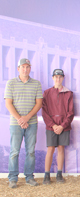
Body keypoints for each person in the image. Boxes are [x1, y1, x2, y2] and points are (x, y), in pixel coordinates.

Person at [4, 58, 43, 188]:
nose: (25, 69)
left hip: (31, 123)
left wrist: (27, 118)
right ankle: (13, 178)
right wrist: (20, 119)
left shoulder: (36, 84)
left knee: (30, 151)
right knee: (14, 151)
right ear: (18, 69)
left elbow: (39, 103)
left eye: (27, 67)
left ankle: (29, 177)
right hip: (15, 124)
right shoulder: (11, 83)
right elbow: (8, 103)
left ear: (30, 68)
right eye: (23, 67)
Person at [42, 69, 74, 184]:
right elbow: (44, 112)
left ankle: (59, 174)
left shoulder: (69, 93)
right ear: (52, 78)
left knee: (61, 148)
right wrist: (53, 125)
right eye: (56, 76)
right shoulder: (46, 93)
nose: (58, 79)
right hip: (51, 126)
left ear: (63, 78)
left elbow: (71, 112)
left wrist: (62, 126)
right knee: (50, 149)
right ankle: (46, 175)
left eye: (60, 77)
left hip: (64, 126)